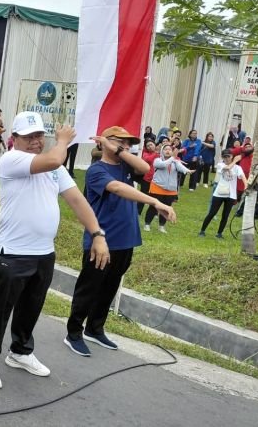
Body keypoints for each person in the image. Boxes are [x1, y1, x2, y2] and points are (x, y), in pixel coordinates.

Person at [0, 112, 108, 390]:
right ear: (15, 139)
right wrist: (63, 141)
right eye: (29, 136)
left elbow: (77, 200)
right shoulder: (12, 159)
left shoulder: (54, 168)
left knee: (31, 306)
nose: (36, 141)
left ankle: (20, 351)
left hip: (44, 251)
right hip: (14, 250)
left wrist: (97, 233)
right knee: (1, 307)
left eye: (39, 136)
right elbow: (55, 158)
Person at [64, 127, 176, 356]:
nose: (125, 146)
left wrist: (120, 150)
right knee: (89, 288)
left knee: (110, 287)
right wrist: (155, 202)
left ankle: (95, 329)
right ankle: (73, 332)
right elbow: (117, 188)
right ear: (104, 142)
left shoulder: (126, 166)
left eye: (128, 143)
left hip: (126, 239)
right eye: (119, 141)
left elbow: (145, 168)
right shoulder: (96, 170)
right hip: (102, 240)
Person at [144, 144, 192, 233]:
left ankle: (161, 226)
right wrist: (172, 158)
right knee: (153, 207)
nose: (168, 151)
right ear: (162, 151)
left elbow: (180, 167)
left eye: (169, 149)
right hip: (157, 187)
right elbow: (163, 165)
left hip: (170, 190)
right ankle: (147, 224)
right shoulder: (158, 160)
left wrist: (187, 170)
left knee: (166, 208)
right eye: (165, 149)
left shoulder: (175, 161)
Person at [200, 149, 248, 238]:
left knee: (225, 215)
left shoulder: (238, 168)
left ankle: (219, 233)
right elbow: (227, 168)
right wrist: (235, 161)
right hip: (219, 193)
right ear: (222, 157)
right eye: (224, 156)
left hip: (231, 195)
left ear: (231, 156)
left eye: (228, 156)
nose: (226, 158)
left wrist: (246, 186)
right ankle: (202, 231)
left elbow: (243, 177)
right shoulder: (220, 165)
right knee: (212, 213)